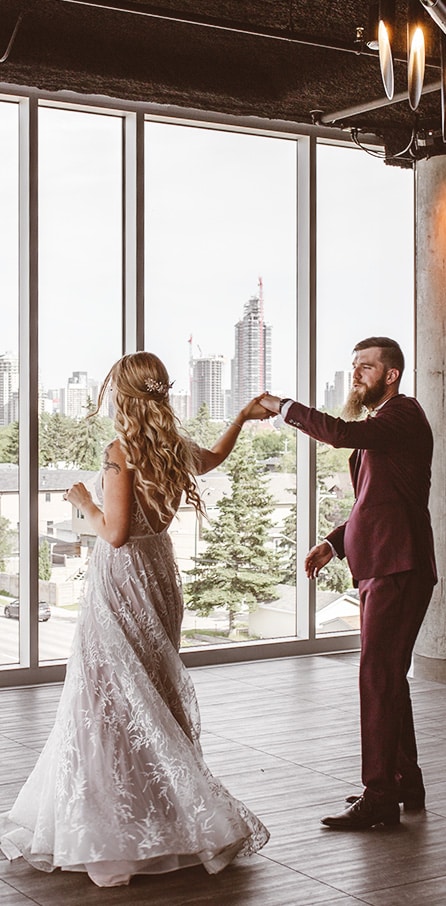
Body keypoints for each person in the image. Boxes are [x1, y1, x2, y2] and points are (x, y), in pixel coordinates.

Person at [0, 352, 270, 886]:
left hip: (122, 580)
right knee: (149, 694)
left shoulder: (120, 452)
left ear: (123, 396)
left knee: (105, 697)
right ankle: (163, 816)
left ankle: (115, 824)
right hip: (159, 574)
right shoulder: (172, 447)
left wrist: (83, 500)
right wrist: (240, 417)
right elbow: (214, 458)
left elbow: (116, 533)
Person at [260, 337, 437, 830]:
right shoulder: (384, 425)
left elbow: (338, 434)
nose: (357, 374)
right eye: (354, 365)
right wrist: (334, 543)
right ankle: (403, 784)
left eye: (367, 367)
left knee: (377, 677)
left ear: (391, 374)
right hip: (386, 563)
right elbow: (374, 501)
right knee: (387, 678)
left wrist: (282, 407)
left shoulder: (403, 414)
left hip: (397, 566)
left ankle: (380, 797)